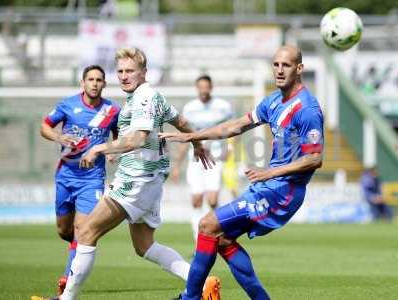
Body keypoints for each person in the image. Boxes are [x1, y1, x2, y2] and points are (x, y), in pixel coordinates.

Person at [32, 47, 216, 300]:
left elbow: (137, 139)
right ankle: (203, 285)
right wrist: (197, 143)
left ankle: (66, 299)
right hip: (149, 182)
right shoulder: (152, 97)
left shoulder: (142, 98)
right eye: (120, 71)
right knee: (144, 246)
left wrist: (99, 148)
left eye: (130, 71)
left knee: (85, 232)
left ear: (144, 73)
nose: (124, 76)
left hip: (135, 181)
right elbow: (181, 121)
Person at [161, 45, 324, 300]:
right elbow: (236, 125)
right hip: (270, 186)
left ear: (299, 68)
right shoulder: (273, 101)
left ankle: (189, 298)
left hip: (284, 191)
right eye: (276, 64)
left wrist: (270, 173)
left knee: (207, 225)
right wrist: (193, 135)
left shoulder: (307, 109)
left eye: (287, 65)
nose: (279, 70)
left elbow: (314, 158)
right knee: (222, 238)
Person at [38, 65, 120, 296]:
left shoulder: (112, 110)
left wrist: (112, 149)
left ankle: (67, 281)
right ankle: (77, 246)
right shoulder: (67, 105)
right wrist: (58, 136)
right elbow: (45, 126)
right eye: (91, 79)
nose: (95, 83)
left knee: (82, 229)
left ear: (104, 84)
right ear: (83, 83)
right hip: (65, 175)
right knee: (65, 231)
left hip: (92, 179)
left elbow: (120, 133)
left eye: (99, 80)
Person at [172, 75, 234, 241]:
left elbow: (234, 130)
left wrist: (230, 148)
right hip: (195, 160)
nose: (203, 90)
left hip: (214, 158)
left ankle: (219, 236)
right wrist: (177, 166)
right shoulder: (190, 108)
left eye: (206, 87)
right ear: (197, 88)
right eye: (200, 87)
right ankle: (199, 241)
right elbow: (185, 138)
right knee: (196, 201)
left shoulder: (223, 107)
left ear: (211, 87)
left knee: (213, 200)